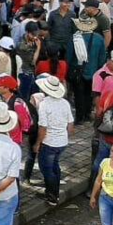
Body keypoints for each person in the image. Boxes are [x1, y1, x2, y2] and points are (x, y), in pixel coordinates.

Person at [33, 75, 73, 206]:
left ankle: (52, 195)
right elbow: (70, 124)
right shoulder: (65, 103)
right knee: (55, 165)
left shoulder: (44, 105)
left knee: (47, 169)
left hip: (49, 142)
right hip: (62, 141)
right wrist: (65, 135)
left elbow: (43, 127)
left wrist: (38, 143)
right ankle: (53, 191)